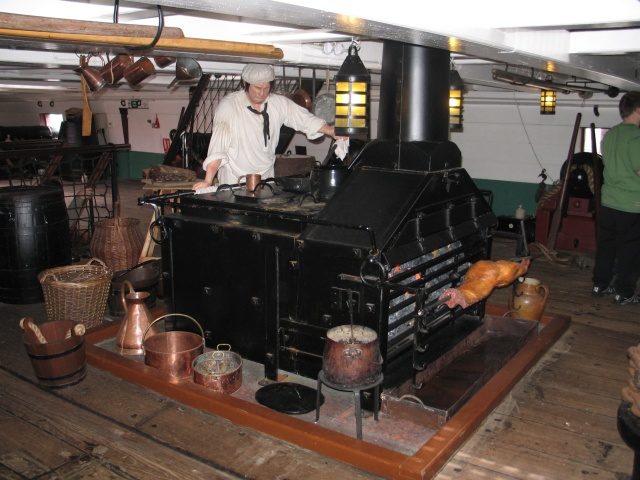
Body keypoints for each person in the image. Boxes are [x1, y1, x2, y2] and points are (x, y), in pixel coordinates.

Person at [193, 64, 340, 189]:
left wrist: (332, 131)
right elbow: (219, 144)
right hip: (234, 180)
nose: (262, 93)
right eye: (258, 88)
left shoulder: (277, 103)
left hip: (266, 178)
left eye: (266, 88)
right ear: (246, 84)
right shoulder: (230, 106)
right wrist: (208, 179)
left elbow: (304, 118)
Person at [592, 91, 640, 305]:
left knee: (606, 247)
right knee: (631, 250)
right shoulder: (636, 137)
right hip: (632, 204)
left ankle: (600, 283)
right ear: (638, 110)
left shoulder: (610, 135)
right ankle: (624, 291)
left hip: (608, 203)